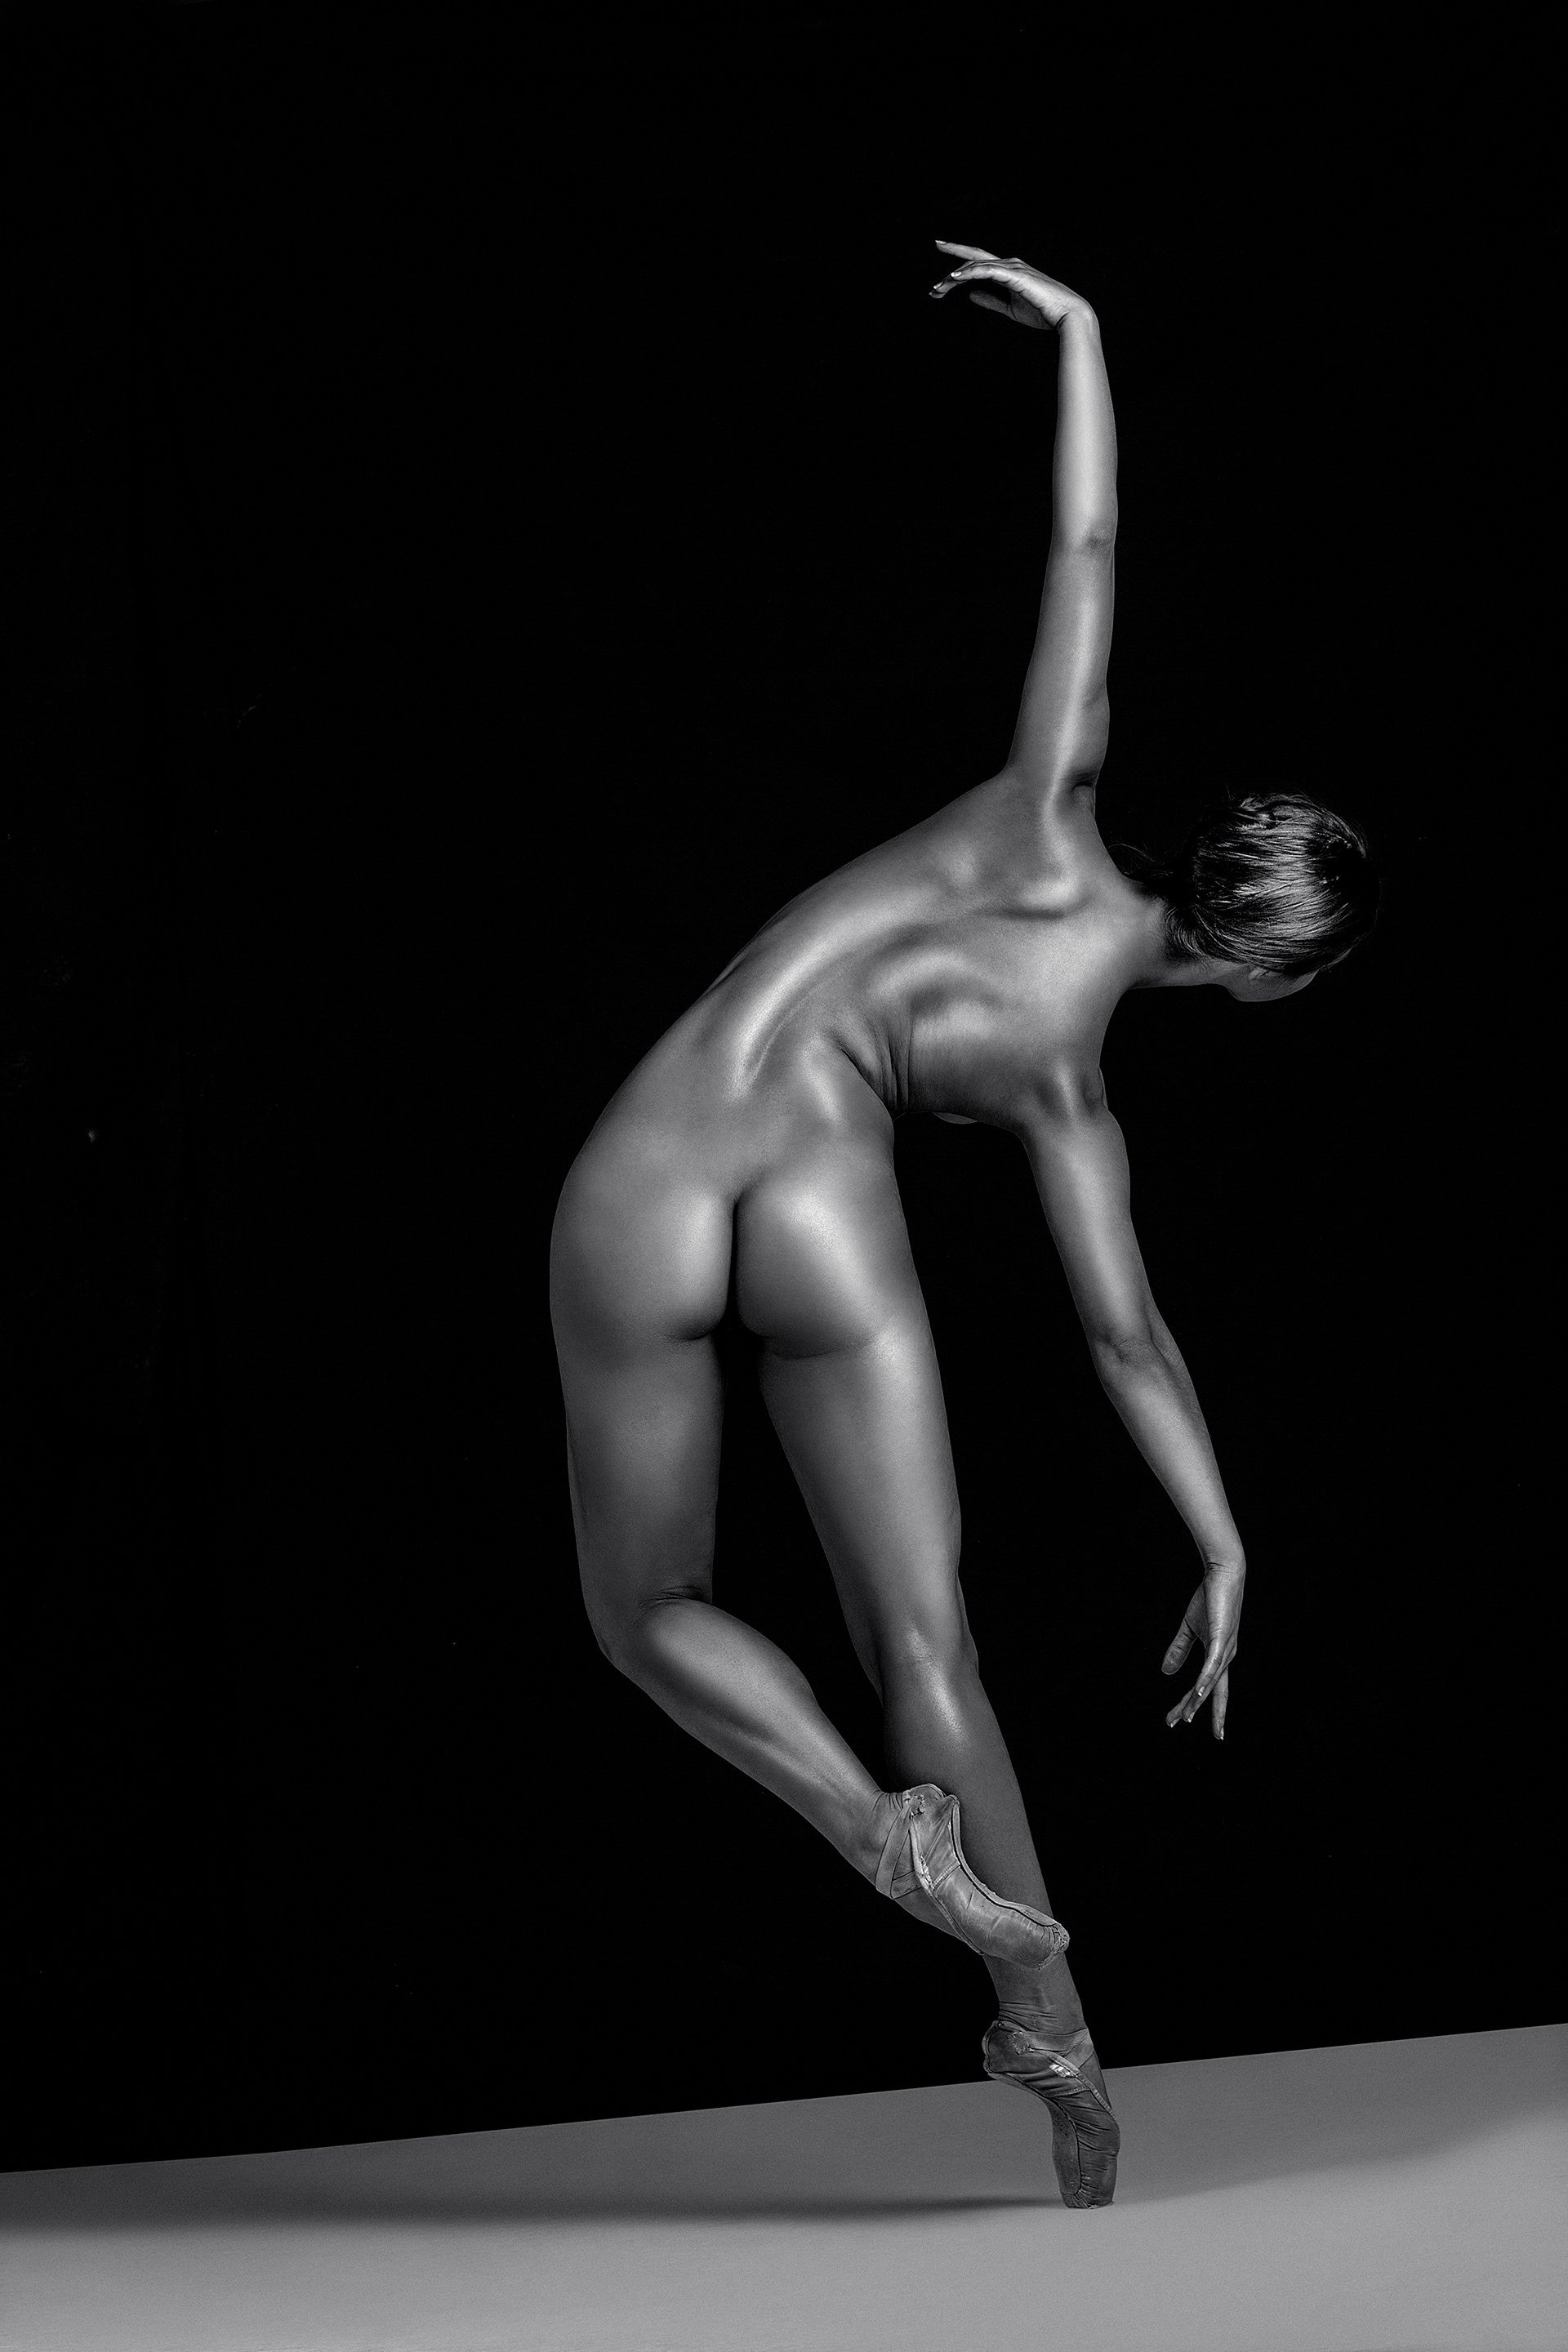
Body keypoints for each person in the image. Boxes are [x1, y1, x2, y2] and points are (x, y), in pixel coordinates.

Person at [549, 244, 1379, 2208]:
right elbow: (1126, 1341)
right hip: (825, 1196)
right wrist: (1223, 1536)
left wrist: (1080, 333)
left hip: (655, 1159)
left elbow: (1084, 549)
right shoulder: (1069, 1092)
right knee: (925, 1638)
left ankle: (871, 1835)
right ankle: (1054, 2034)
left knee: (645, 1612)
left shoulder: (1044, 805)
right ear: (1266, 971)